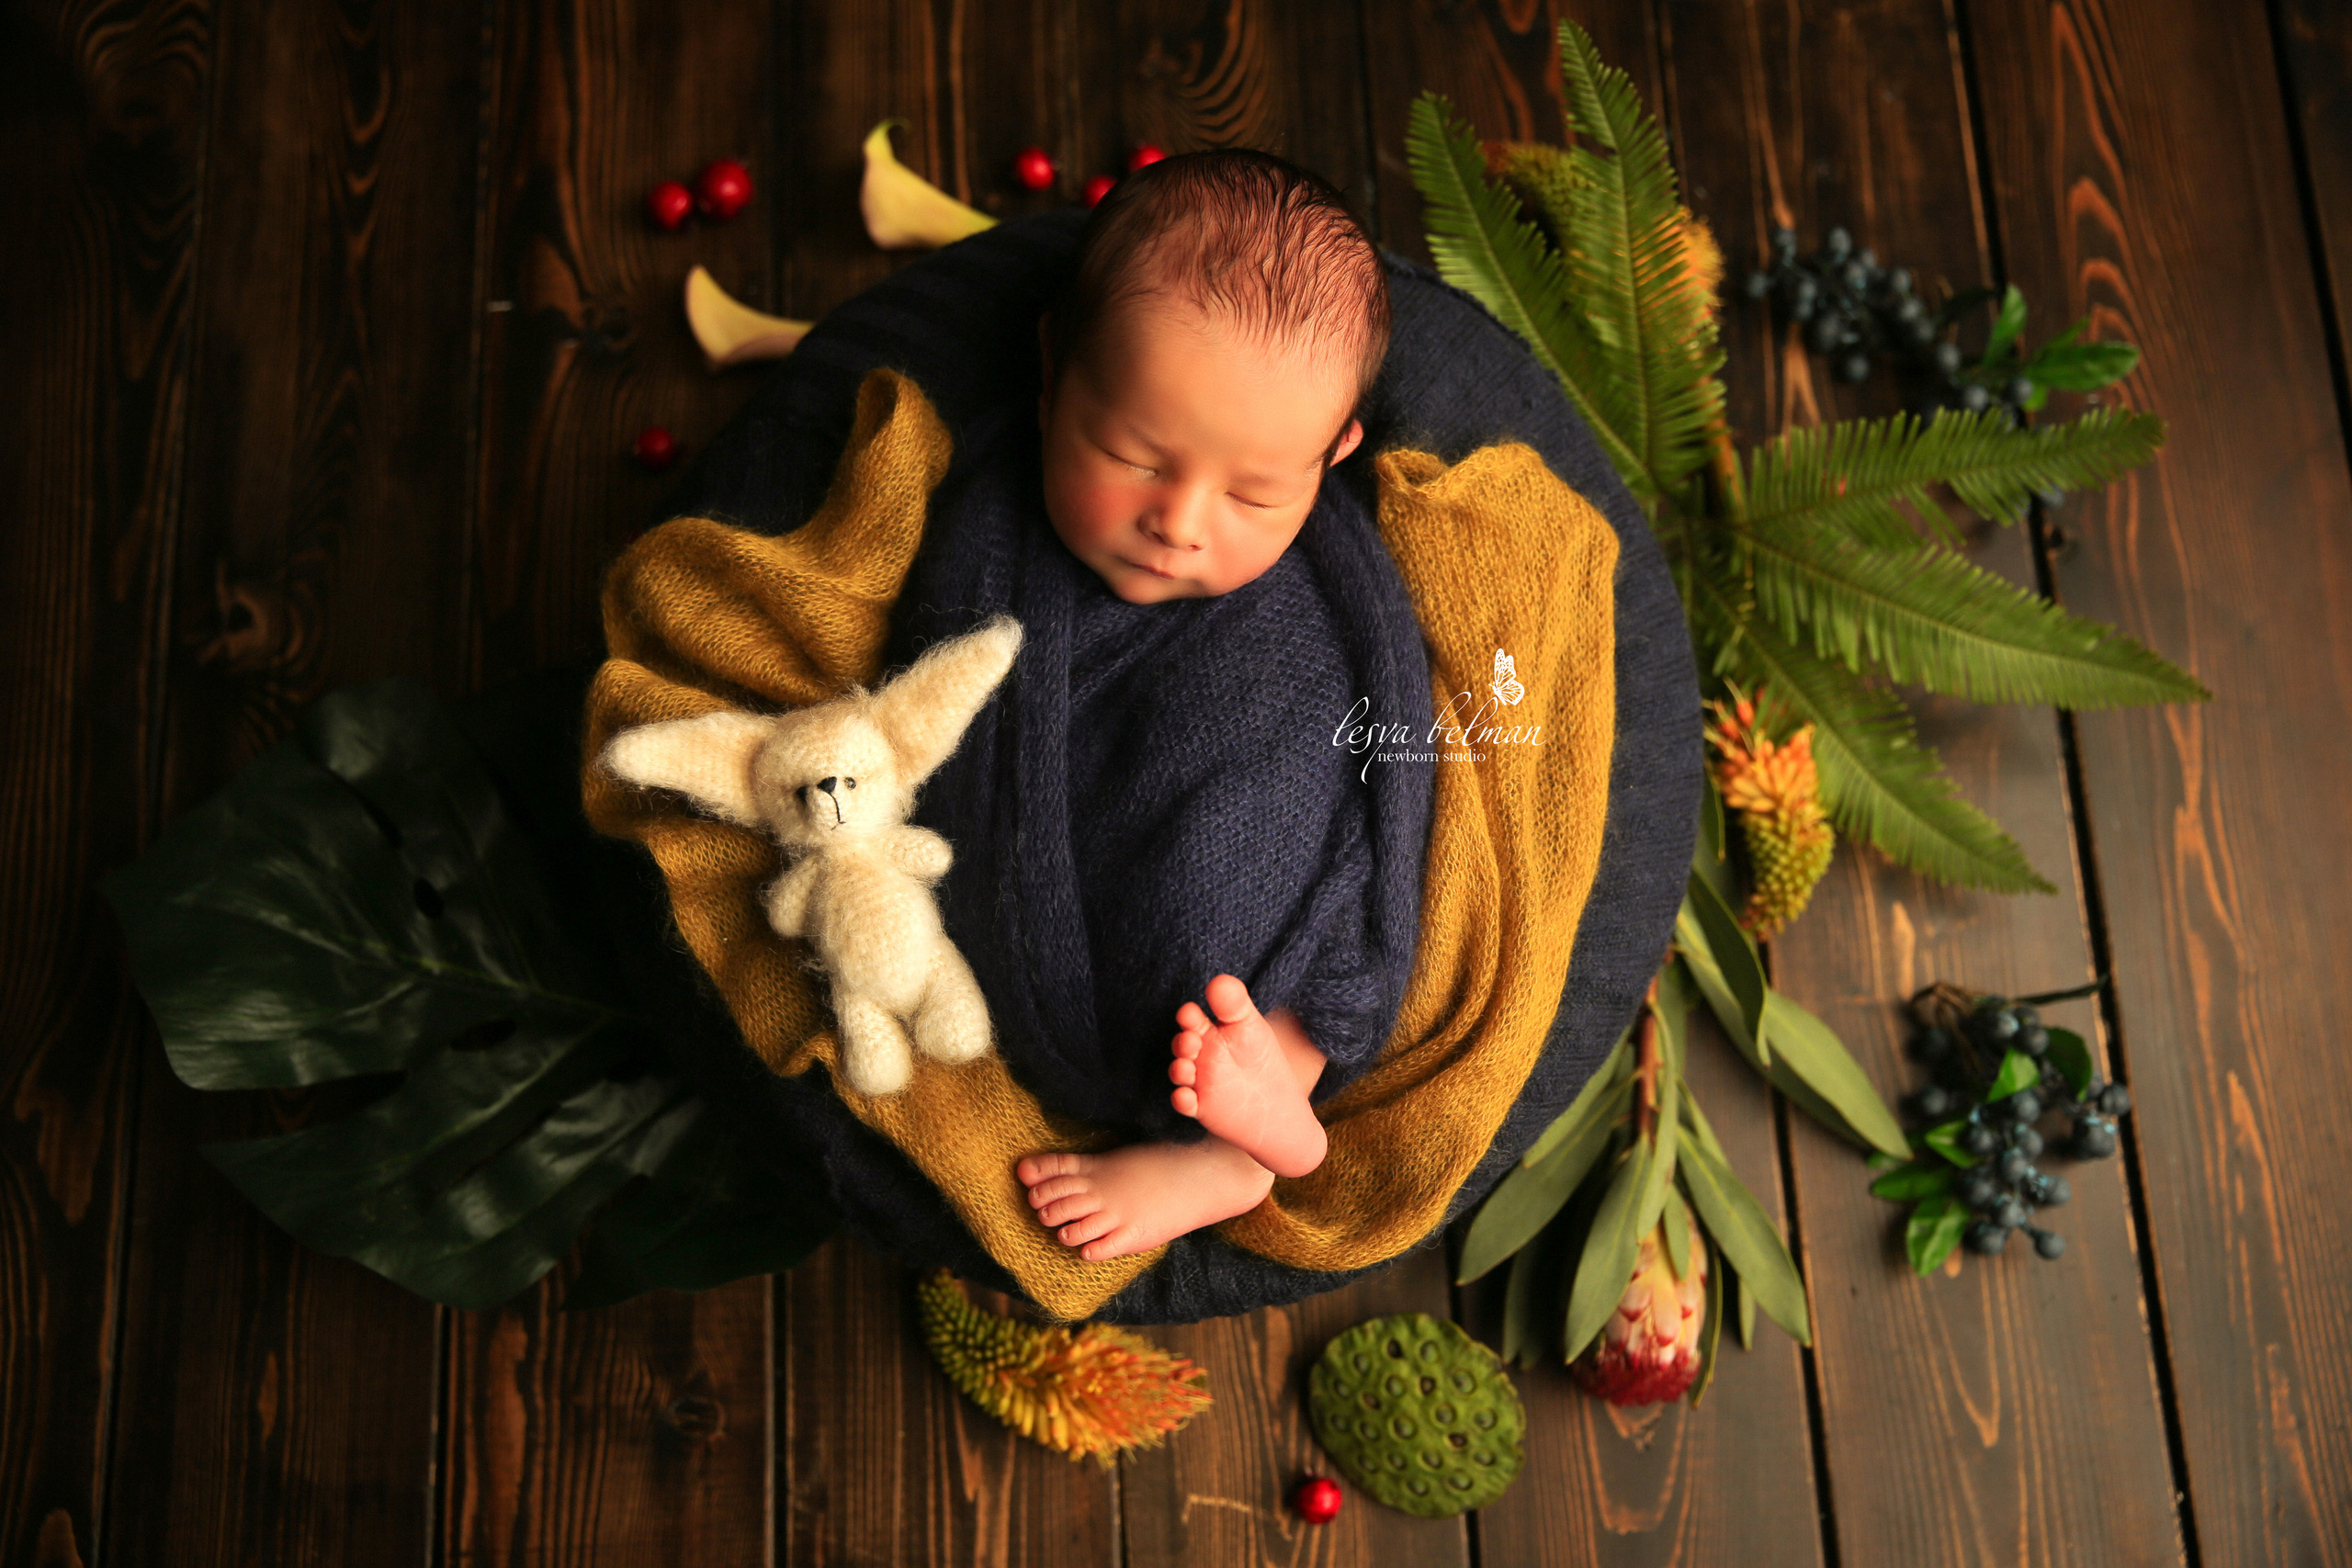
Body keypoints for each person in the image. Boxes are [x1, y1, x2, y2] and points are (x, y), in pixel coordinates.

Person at [1006, 147, 1396, 1262]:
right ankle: (1230, 1122)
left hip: (1276, 786)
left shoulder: (1322, 596)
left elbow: (1388, 769)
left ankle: (1245, 1142)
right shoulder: (989, 534)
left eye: (1258, 491)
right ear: (1051, 373)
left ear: (1333, 459)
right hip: (1086, 889)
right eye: (1132, 454)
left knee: (1344, 900)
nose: (1181, 521)